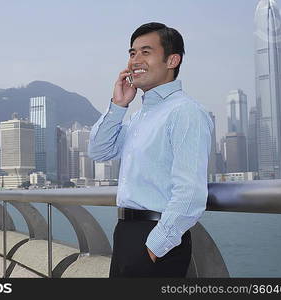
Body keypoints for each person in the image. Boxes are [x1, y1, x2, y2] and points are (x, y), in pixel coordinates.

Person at [88, 22, 213, 277]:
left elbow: (190, 193)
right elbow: (99, 151)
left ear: (172, 60)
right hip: (125, 234)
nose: (135, 60)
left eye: (146, 52)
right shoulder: (138, 117)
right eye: (132, 53)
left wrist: (153, 248)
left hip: (155, 241)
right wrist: (118, 105)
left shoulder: (185, 112)